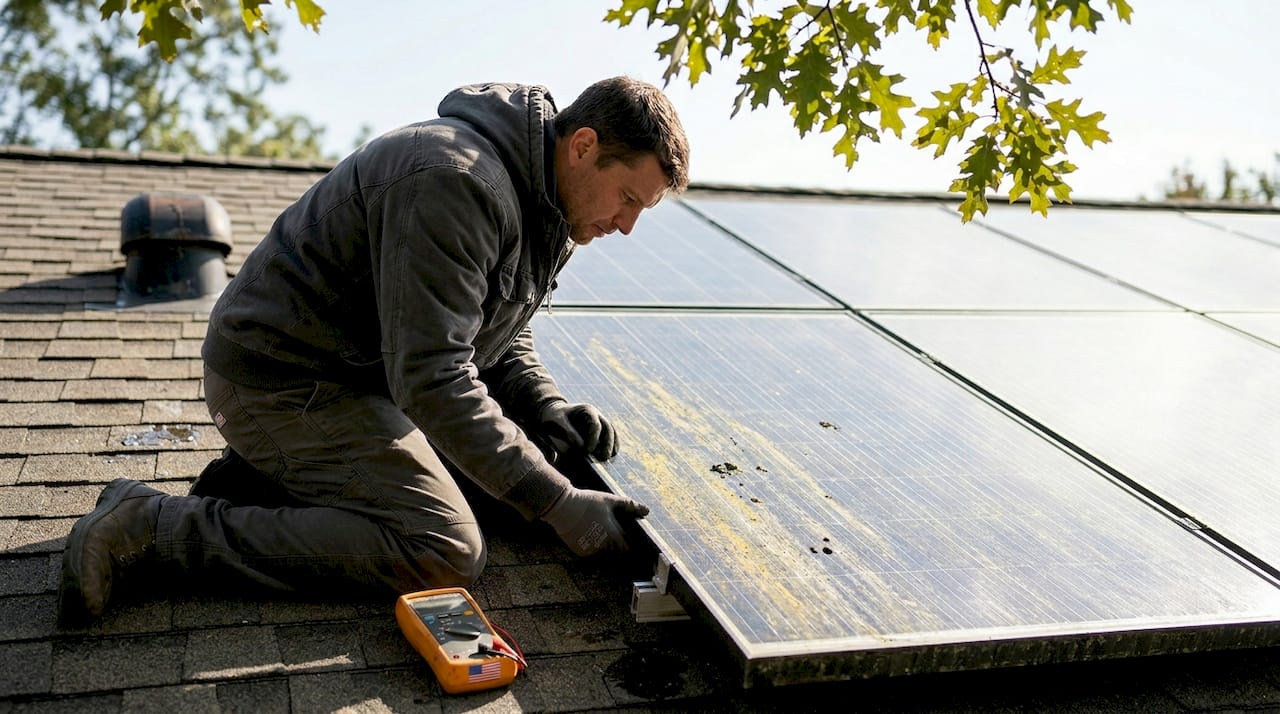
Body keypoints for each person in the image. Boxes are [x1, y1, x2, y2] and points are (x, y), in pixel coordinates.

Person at [58, 76, 690, 624]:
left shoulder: (549, 207)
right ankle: (152, 528)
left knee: (504, 486)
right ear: (584, 147)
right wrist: (559, 502)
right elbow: (433, 377)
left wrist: (544, 404)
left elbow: (497, 327)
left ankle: (266, 485)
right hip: (280, 382)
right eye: (629, 199)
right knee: (443, 546)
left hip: (359, 382)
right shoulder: (457, 182)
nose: (627, 224)